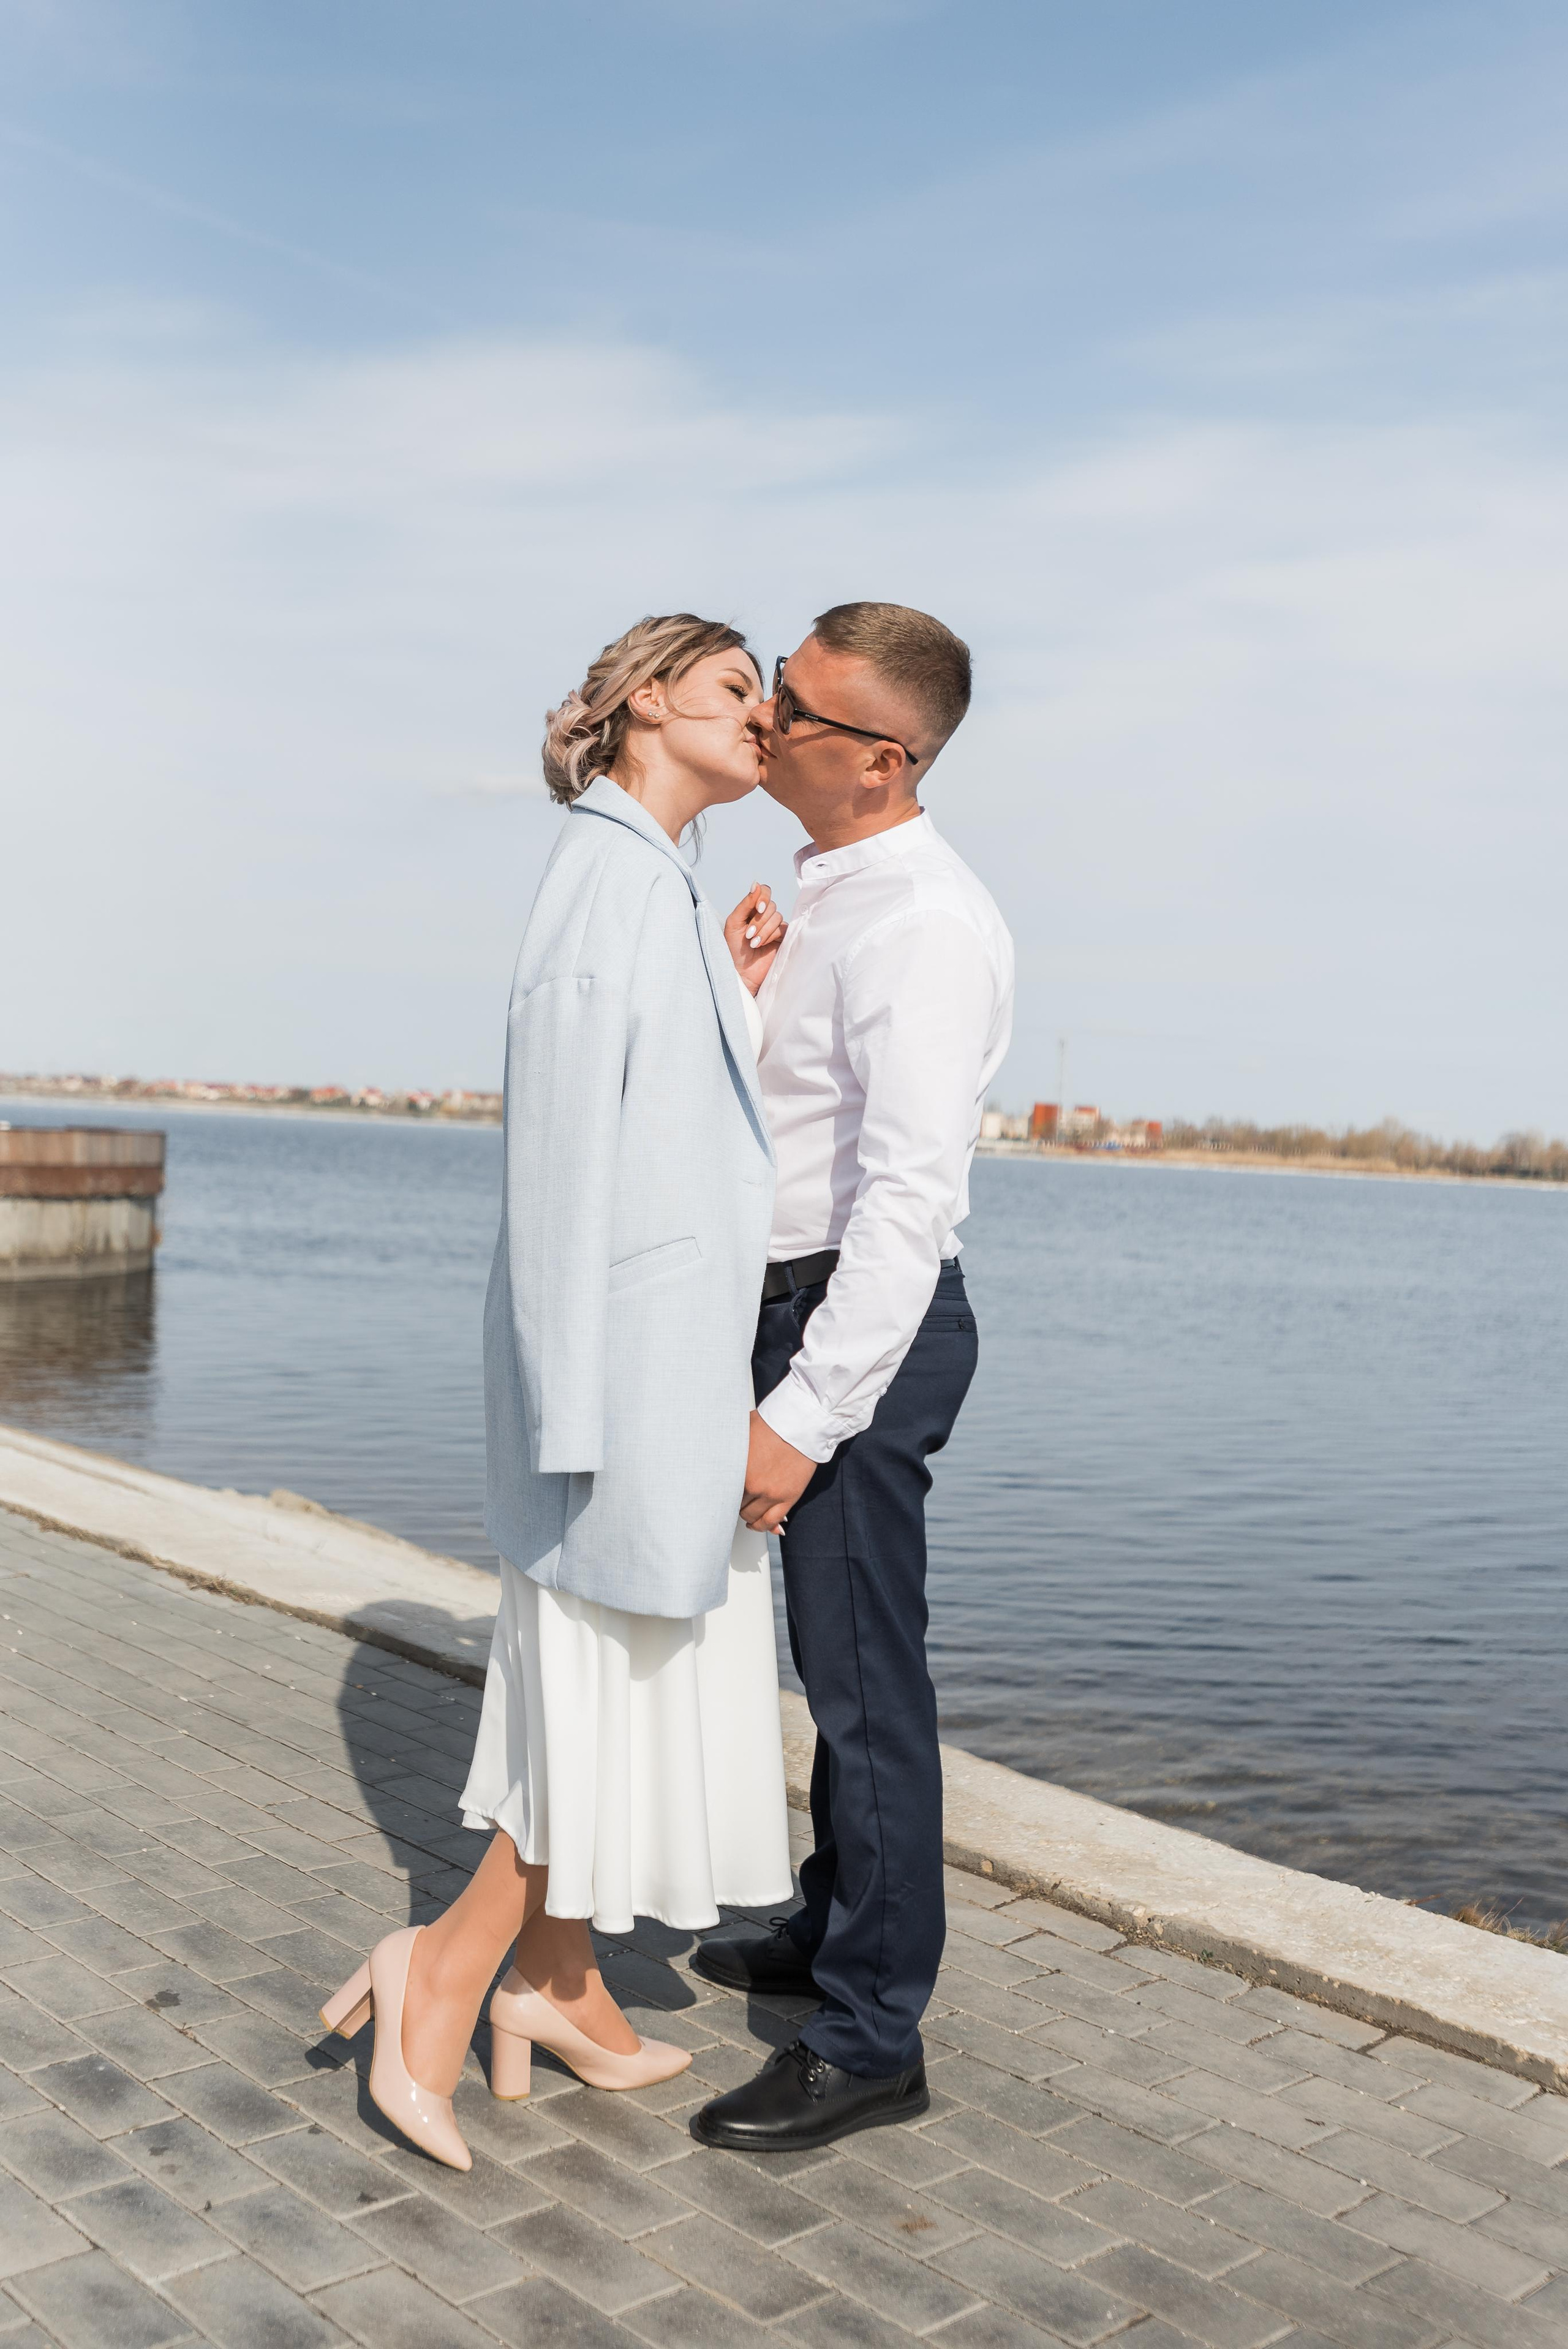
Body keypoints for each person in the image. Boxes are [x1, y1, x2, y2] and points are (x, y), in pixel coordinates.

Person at [321, 613, 794, 2170]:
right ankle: (441, 1977)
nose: (763, 717)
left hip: (658, 1375)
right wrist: (571, 1421)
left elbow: (669, 1120)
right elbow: (561, 1168)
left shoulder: (650, 887)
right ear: (649, 700)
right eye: (738, 689)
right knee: (599, 1718)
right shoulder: (605, 878)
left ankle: (561, 1984)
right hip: (620, 1395)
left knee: (612, 1703)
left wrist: (727, 987)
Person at [690, 602, 1014, 2154]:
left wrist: (799, 1415)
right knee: (836, 1671)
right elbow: (792, 1131)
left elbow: (903, 1204)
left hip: (851, 1335)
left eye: (795, 711)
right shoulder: (831, 892)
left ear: (879, 760)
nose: (764, 726)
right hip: (794, 1306)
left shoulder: (923, 925)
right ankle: (829, 1924)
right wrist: (746, 990)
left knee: (866, 1689)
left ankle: (873, 2034)